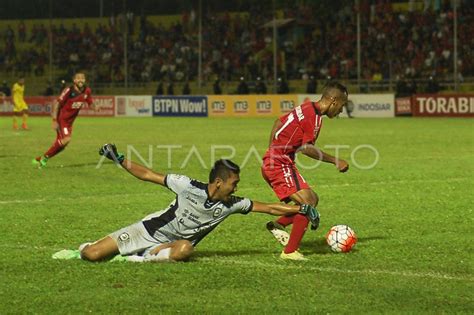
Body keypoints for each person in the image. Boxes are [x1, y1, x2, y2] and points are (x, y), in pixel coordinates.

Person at [75, 145, 319, 263]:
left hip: (174, 245)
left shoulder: (231, 204)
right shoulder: (186, 185)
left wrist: (301, 209)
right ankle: (137, 251)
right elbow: (148, 174)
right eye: (233, 184)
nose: (236, 188)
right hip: (147, 230)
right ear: (218, 183)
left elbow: (268, 207)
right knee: (91, 254)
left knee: (185, 250)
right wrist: (118, 158)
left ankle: (143, 257)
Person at [261, 81, 350, 261]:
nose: (341, 111)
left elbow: (278, 122)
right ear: (333, 101)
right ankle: (289, 252)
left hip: (279, 161)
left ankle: (278, 225)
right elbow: (306, 148)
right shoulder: (314, 117)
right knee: (307, 202)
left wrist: (271, 149)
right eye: (341, 106)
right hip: (278, 164)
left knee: (313, 199)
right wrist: (335, 160)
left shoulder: (307, 107)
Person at [32, 72, 95, 168]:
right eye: (78, 78)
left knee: (62, 145)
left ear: (85, 80)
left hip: (69, 122)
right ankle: (44, 158)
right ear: (74, 80)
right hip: (62, 119)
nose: (80, 80)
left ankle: (42, 159)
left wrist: (95, 107)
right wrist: (54, 120)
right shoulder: (69, 90)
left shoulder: (87, 90)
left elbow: (90, 102)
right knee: (66, 140)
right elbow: (57, 104)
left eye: (82, 78)